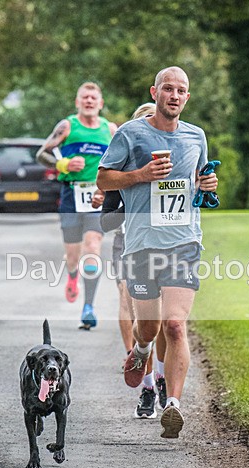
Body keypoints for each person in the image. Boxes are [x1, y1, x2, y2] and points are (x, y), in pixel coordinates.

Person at [97, 67, 218, 438]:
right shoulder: (131, 134)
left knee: (176, 325)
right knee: (148, 328)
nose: (175, 95)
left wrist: (208, 183)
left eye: (182, 90)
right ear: (155, 92)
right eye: (169, 88)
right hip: (141, 245)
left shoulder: (196, 136)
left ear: (187, 97)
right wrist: (141, 175)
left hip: (184, 243)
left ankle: (173, 406)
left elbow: (199, 181)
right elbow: (103, 178)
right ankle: (140, 351)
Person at [101, 102, 168, 419]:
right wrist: (120, 198)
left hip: (167, 246)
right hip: (128, 244)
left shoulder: (174, 166)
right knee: (130, 303)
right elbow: (107, 222)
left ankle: (160, 379)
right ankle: (144, 382)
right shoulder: (124, 169)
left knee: (164, 321)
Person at [37, 82, 118, 329]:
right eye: (85, 97)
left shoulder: (111, 130)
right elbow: (42, 154)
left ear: (101, 103)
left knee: (92, 247)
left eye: (94, 97)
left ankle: (89, 306)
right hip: (72, 195)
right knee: (73, 257)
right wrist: (64, 165)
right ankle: (72, 276)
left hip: (97, 197)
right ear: (77, 102)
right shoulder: (67, 126)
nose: (89, 101)